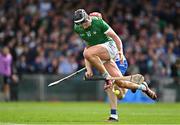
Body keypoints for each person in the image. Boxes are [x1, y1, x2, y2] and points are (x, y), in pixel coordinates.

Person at [73, 9, 157, 121]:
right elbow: (88, 48)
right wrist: (89, 69)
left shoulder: (100, 25)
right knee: (121, 91)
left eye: (85, 22)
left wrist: (120, 52)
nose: (83, 25)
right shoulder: (80, 29)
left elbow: (115, 38)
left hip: (118, 59)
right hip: (104, 60)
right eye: (80, 23)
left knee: (109, 86)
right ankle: (143, 87)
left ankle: (113, 115)